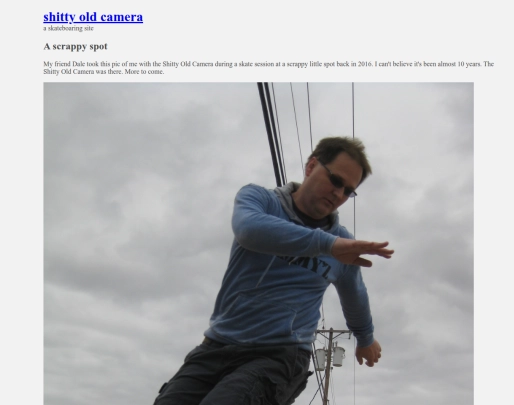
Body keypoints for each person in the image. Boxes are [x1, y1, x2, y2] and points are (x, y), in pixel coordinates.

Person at [153, 136, 394, 405]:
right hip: (216, 346)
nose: (339, 194)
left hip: (280, 355)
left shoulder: (343, 244)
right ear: (311, 166)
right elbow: (249, 230)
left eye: (348, 191)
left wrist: (365, 338)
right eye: (336, 181)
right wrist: (328, 245)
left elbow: (355, 295)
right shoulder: (261, 200)